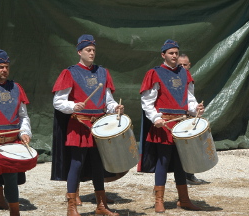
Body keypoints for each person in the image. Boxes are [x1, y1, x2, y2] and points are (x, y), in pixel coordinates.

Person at [51, 34, 123, 216]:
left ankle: (101, 206)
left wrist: (115, 107)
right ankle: (71, 207)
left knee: (98, 165)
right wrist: (73, 105)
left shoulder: (102, 72)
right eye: (88, 50)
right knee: (76, 163)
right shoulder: (70, 72)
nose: (92, 53)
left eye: (94, 50)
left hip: (99, 126)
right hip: (79, 125)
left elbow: (108, 100)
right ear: (79, 52)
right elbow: (58, 101)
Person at [137, 39, 204, 213]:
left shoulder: (184, 73)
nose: (174, 56)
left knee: (182, 163)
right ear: (163, 55)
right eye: (171, 53)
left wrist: (195, 108)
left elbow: (189, 99)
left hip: (182, 124)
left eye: (176, 53)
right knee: (163, 161)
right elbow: (147, 101)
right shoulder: (155, 73)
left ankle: (184, 199)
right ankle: (159, 200)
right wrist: (155, 118)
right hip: (164, 125)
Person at [0, 49, 32, 216]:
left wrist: (25, 132)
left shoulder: (16, 88)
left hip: (12, 143)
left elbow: (23, 116)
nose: (4, 70)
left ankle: (15, 213)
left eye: (6, 67)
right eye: (0, 67)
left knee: (12, 180)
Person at [177, 54, 205, 185]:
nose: (182, 67)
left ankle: (188, 175)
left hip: (187, 116)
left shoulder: (188, 78)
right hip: (175, 116)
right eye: (180, 65)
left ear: (189, 66)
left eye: (185, 65)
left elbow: (190, 98)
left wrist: (196, 108)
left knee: (190, 148)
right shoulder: (174, 77)